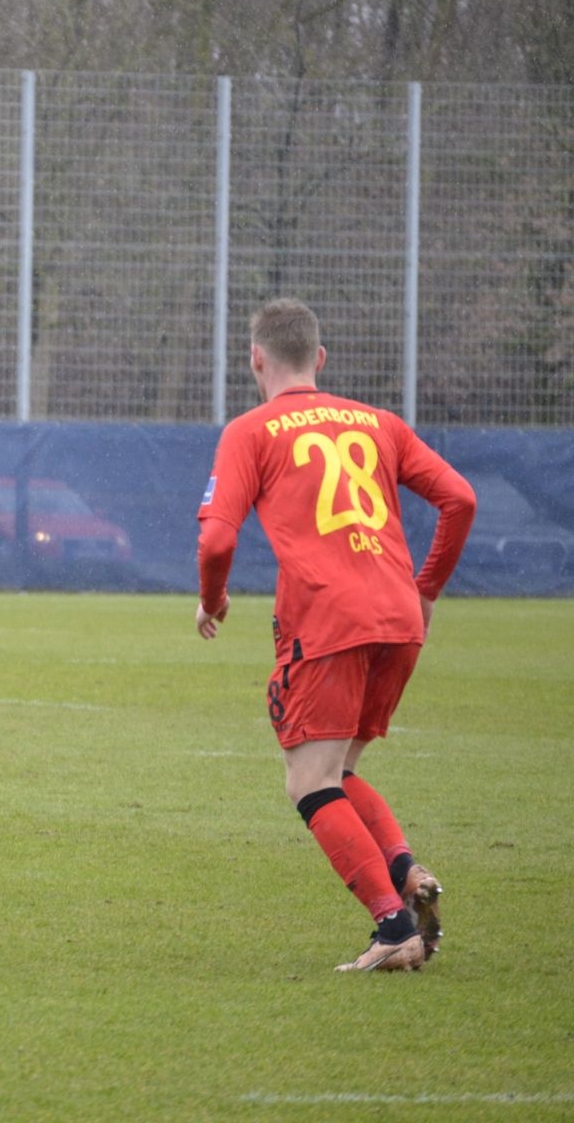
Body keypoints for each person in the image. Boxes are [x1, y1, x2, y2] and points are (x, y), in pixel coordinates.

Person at [196, 298, 476, 972]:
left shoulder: (251, 431)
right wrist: (427, 589)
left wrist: (213, 600)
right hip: (398, 618)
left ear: (255, 359)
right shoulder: (379, 422)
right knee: (340, 772)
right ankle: (405, 872)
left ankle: (393, 927)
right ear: (319, 358)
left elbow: (216, 540)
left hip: (328, 620)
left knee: (309, 782)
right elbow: (460, 499)